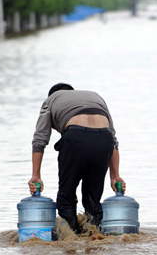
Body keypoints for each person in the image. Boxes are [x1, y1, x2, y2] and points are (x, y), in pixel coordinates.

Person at [28, 83, 126, 233]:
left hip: (75, 138)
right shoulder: (95, 96)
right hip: (104, 141)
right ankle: (94, 239)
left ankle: (71, 242)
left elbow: (40, 139)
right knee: (92, 201)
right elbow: (113, 140)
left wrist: (36, 175)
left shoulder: (51, 100)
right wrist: (115, 176)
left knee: (66, 198)